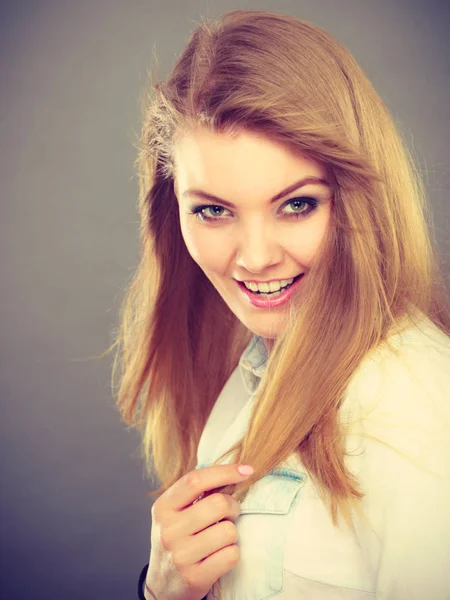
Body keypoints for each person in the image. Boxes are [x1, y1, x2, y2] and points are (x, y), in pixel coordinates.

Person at [110, 9, 450, 600]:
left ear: (357, 201)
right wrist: (162, 593)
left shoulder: (415, 404)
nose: (257, 258)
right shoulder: (255, 367)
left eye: (297, 205)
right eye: (213, 210)